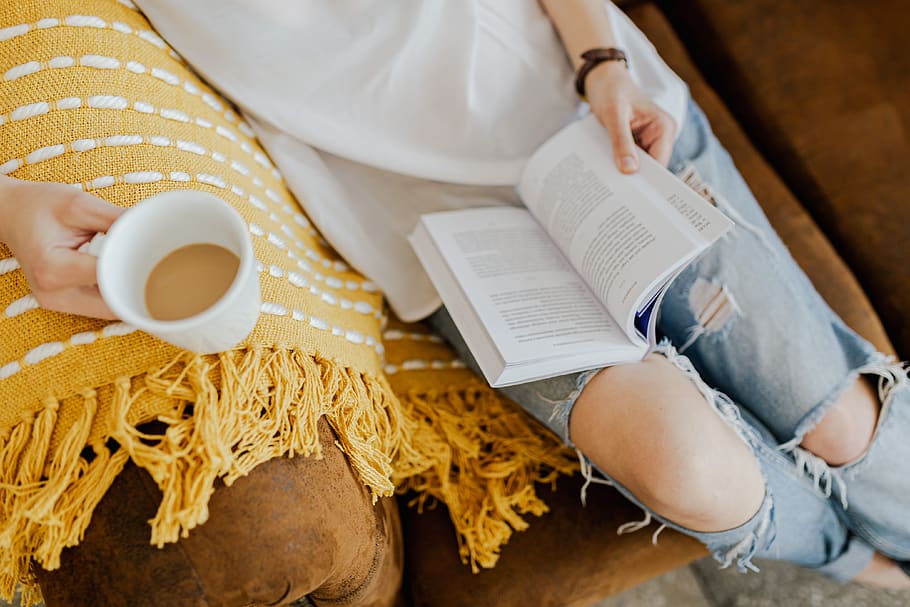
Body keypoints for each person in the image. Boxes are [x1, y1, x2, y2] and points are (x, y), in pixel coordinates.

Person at [5, 0, 909, 593]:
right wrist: (11, 207)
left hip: (584, 115)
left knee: (839, 425)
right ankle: (862, 560)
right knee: (690, 470)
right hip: (434, 236)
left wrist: (602, 58)